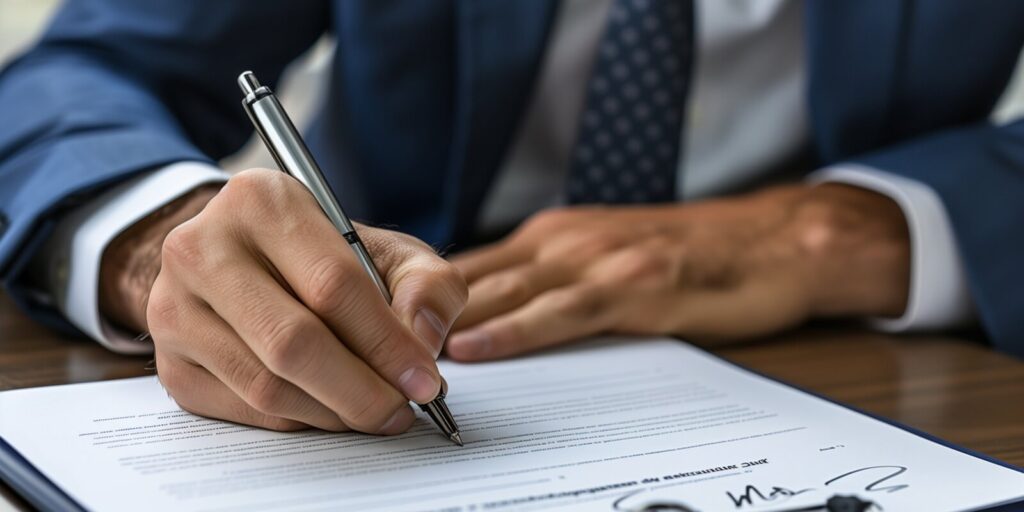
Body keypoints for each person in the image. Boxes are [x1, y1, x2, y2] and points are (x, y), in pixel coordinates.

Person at [1, 0, 1022, 435]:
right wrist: (154, 241)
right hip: (388, 333)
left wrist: (851, 231)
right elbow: (82, 71)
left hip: (840, 368)